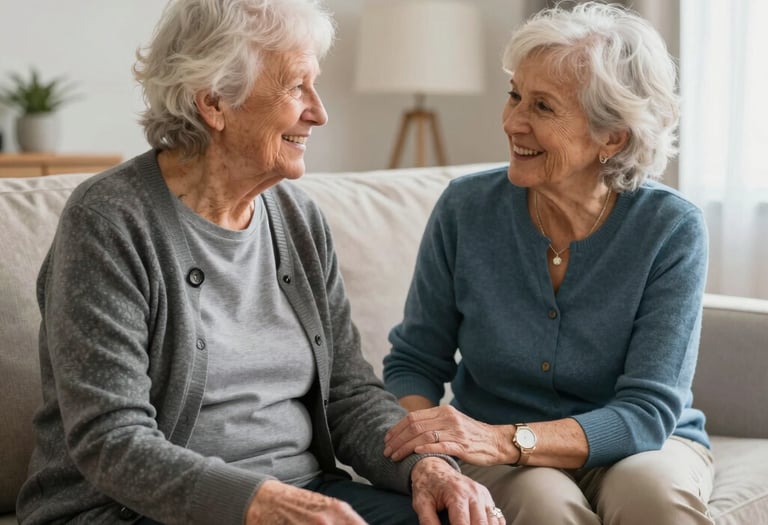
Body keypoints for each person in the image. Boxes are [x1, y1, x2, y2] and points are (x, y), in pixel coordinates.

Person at [14, 1, 504, 524]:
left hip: (304, 493)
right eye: (296, 87)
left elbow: (349, 394)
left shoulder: (298, 219)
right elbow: (111, 439)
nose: (319, 111)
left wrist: (430, 468)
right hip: (134, 510)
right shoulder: (109, 222)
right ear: (214, 103)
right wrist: (259, 502)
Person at [381, 2, 714, 524]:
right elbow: (415, 362)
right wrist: (431, 456)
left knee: (652, 497)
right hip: (496, 447)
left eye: (542, 106)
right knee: (543, 503)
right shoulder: (466, 209)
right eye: (515, 95)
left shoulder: (670, 228)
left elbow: (647, 412)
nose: (513, 122)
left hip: (639, 444)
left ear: (613, 136)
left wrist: (507, 440)